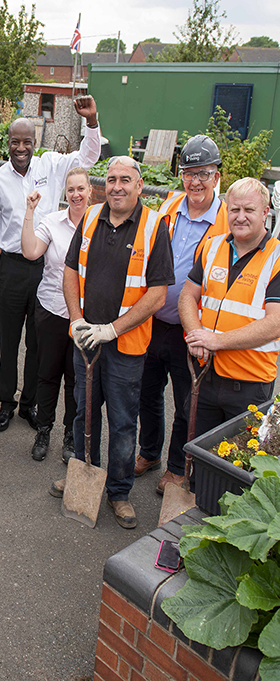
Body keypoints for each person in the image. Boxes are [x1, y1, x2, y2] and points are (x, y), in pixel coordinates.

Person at [52, 156, 174, 529]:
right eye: (112, 179)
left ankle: (119, 492)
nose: (117, 186)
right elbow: (70, 271)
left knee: (122, 422)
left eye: (126, 180)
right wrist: (76, 320)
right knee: (83, 412)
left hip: (126, 347)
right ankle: (83, 473)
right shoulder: (90, 217)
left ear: (140, 185)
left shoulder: (153, 227)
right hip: (87, 340)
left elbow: (157, 294)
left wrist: (113, 329)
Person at [0, 98, 102, 434]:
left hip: (44, 268)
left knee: (38, 344)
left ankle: (29, 405)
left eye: (26, 142)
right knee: (9, 343)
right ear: (7, 144)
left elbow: (88, 157)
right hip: (10, 267)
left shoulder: (52, 165)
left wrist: (92, 121)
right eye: (14, 142)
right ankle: (6, 403)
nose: (21, 147)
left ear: (35, 144)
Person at [135, 136, 228, 494]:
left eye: (203, 173)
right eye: (189, 173)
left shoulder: (224, 220)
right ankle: (149, 453)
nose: (195, 182)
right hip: (154, 319)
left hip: (192, 330)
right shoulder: (171, 205)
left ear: (216, 176)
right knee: (148, 392)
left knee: (187, 403)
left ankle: (177, 468)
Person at [179, 177, 280, 440]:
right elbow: (188, 295)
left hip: (249, 383)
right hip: (206, 374)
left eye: (249, 210)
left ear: (265, 212)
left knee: (235, 466)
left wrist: (216, 340)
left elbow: (275, 323)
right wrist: (195, 334)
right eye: (234, 209)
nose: (240, 217)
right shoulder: (212, 247)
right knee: (198, 457)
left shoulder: (276, 258)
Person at [20, 167, 92, 462]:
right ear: (65, 193)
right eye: (71, 189)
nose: (76, 194)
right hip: (50, 309)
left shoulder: (100, 224)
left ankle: (71, 436)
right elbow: (30, 252)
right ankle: (44, 430)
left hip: (85, 317)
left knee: (76, 379)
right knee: (47, 374)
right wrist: (29, 212)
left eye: (81, 189)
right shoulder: (52, 221)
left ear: (90, 192)